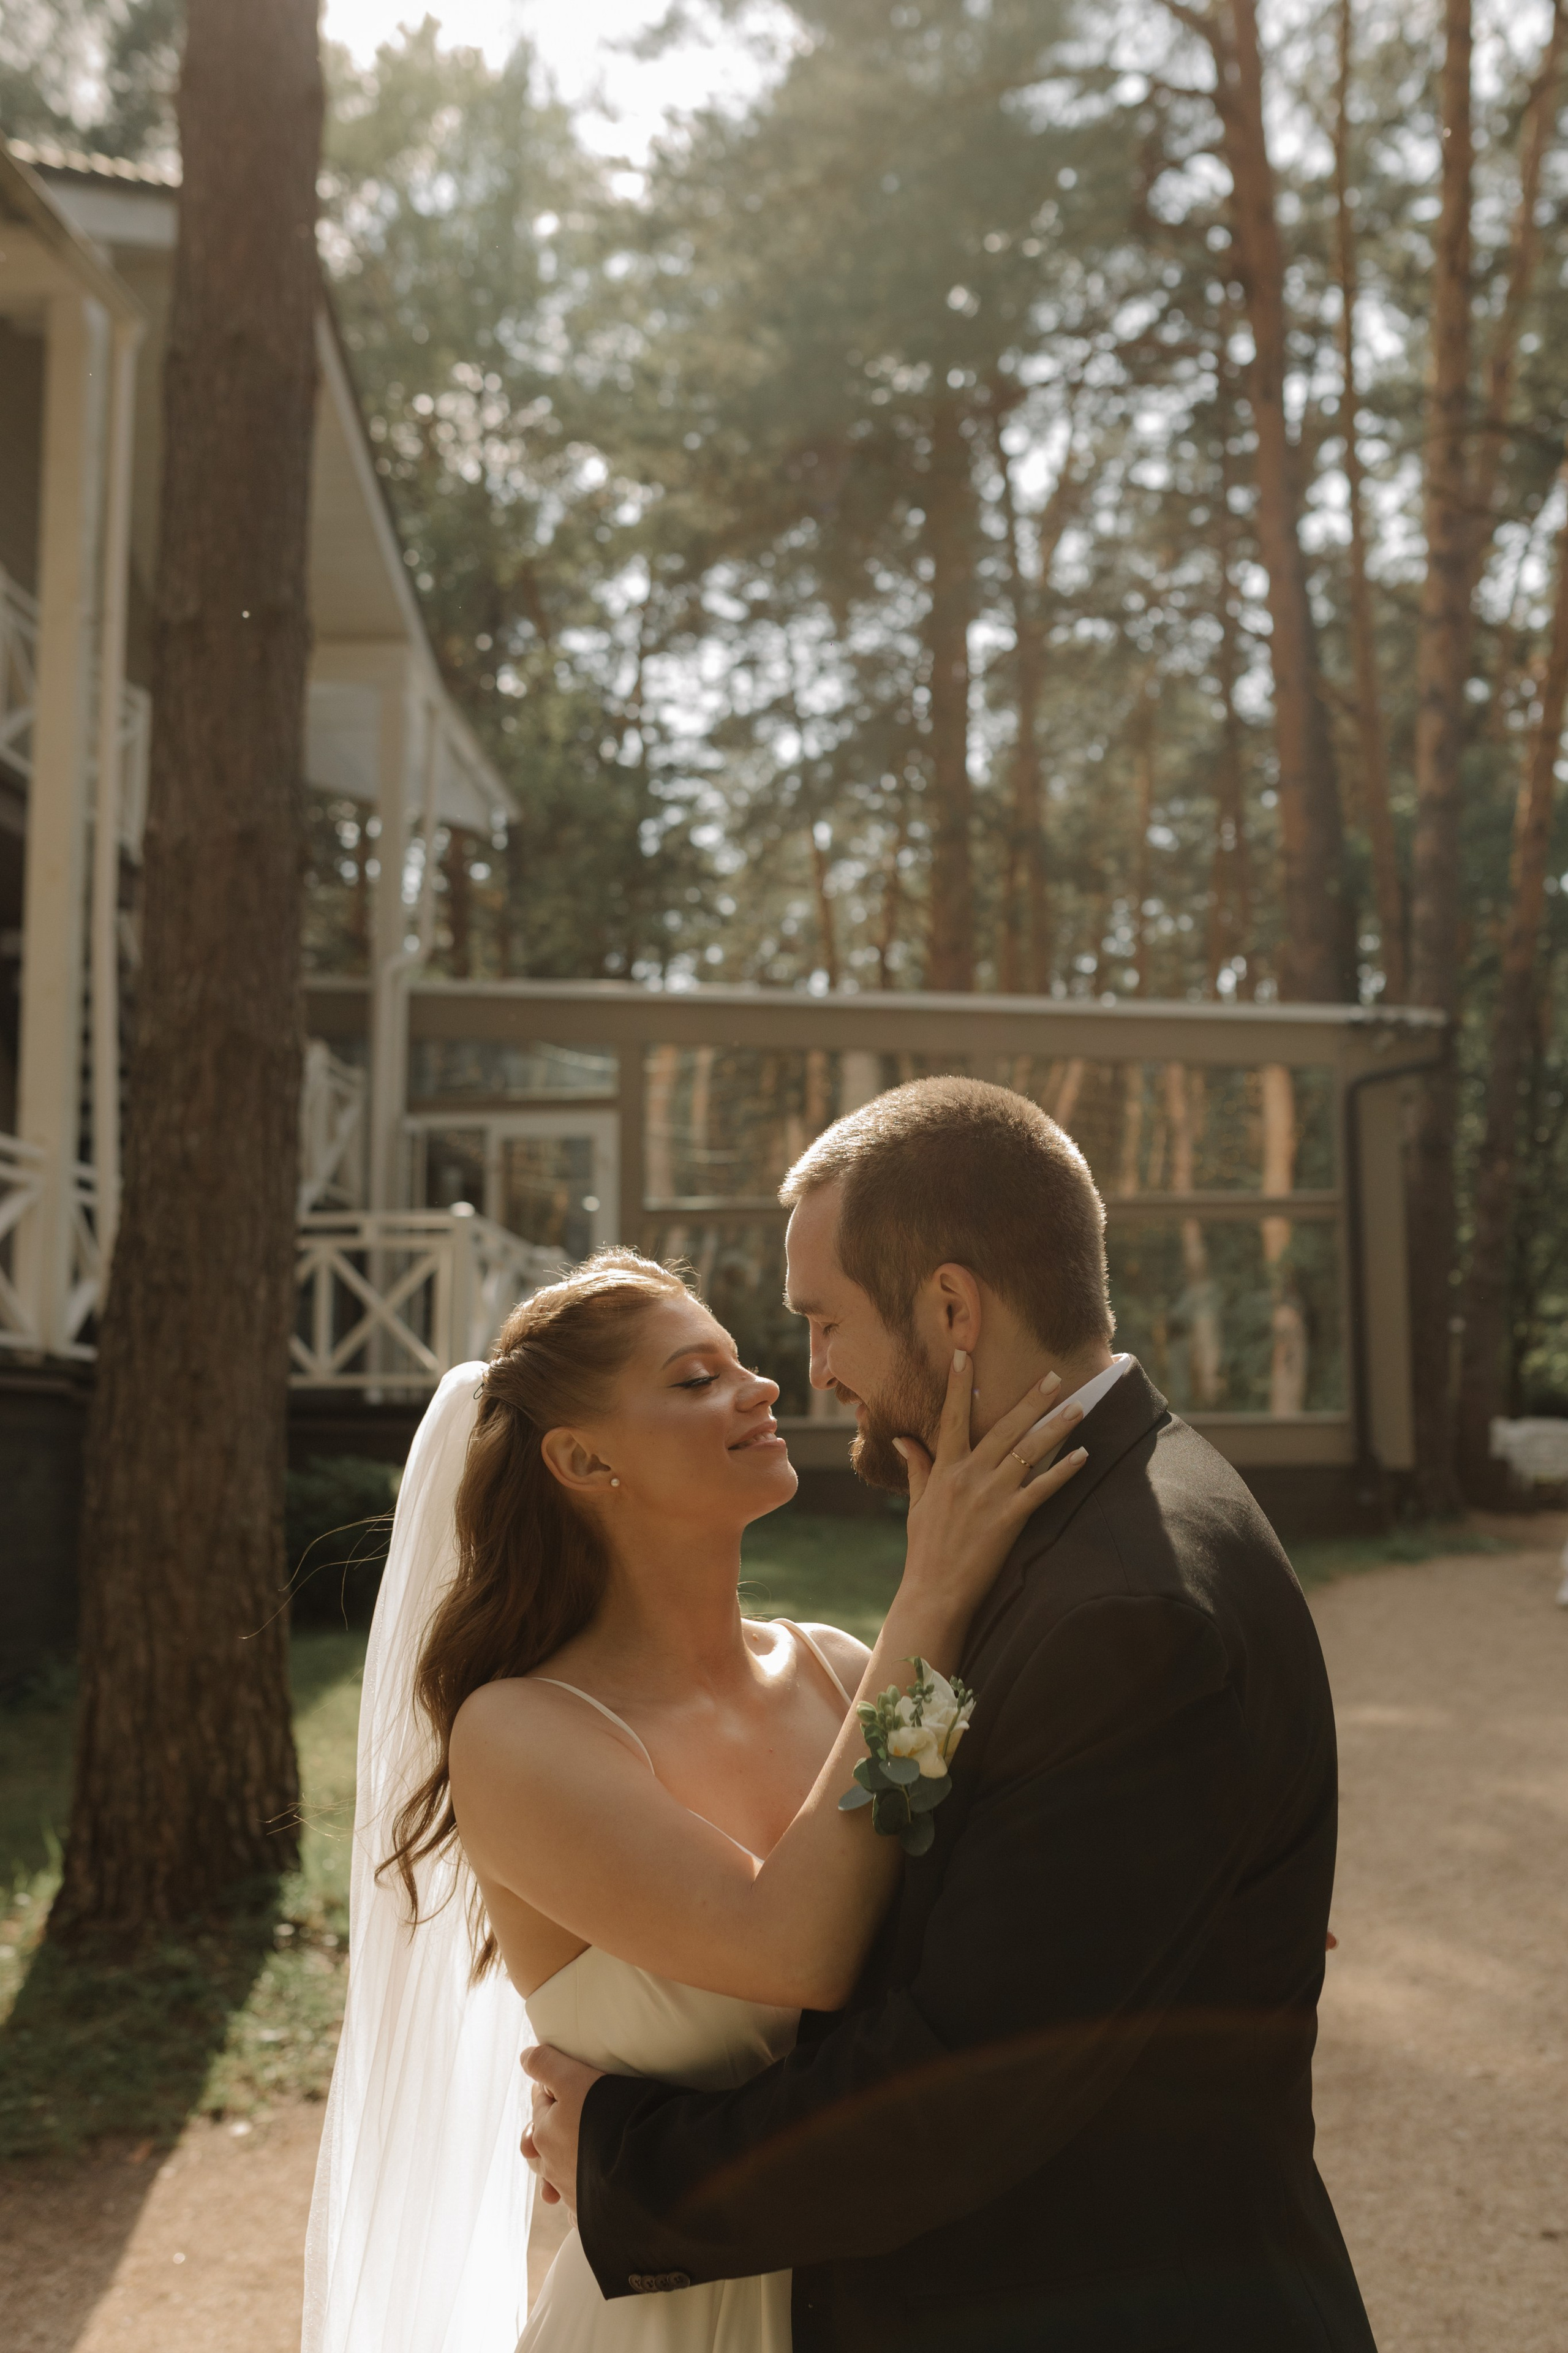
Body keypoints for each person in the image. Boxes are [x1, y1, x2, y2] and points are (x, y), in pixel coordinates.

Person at [524, 1076, 1378, 2353]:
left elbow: (952, 2096)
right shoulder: (1063, 1528)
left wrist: (620, 2160)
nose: (803, 1375)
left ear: (949, 1307)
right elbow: (917, 1837)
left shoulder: (1115, 1605)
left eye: (820, 1322)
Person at [303, 1230, 1088, 2353]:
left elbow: (996, 1887)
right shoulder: (521, 1735)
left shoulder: (843, 1672)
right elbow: (798, 1946)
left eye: (740, 1360)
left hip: (898, 2304)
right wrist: (931, 1597)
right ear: (581, 1463)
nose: (763, 1384)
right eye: (695, 1378)